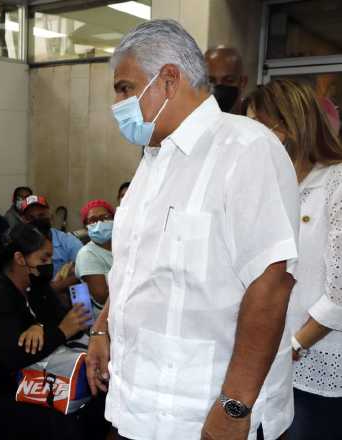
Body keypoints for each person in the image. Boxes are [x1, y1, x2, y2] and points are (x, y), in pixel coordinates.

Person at [86, 20, 299, 440]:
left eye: (125, 88)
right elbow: (133, 267)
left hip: (203, 415)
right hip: (138, 406)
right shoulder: (152, 161)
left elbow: (271, 285)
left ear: (168, 80)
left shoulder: (246, 151)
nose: (118, 103)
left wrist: (234, 406)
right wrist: (102, 327)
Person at [244, 79, 342, 440]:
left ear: (284, 129)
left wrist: (295, 345)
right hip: (267, 364)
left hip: (315, 368)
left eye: (256, 125)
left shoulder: (336, 182)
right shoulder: (270, 187)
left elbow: (339, 295)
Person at [0, 224, 100, 439]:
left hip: (19, 378)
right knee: (61, 425)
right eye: (44, 259)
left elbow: (64, 324)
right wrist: (61, 331)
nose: (48, 266)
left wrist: (42, 326)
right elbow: (13, 355)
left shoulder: (34, 286)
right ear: (20, 259)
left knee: (94, 402)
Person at [21, 195, 82, 298]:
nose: (36, 220)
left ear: (50, 216)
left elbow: (83, 271)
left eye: (41, 215)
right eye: (30, 218)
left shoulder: (68, 241)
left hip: (65, 298)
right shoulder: (18, 244)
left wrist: (56, 287)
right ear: (23, 220)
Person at [75, 200, 115, 322]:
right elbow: (102, 298)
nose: (99, 223)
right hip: (106, 319)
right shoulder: (87, 254)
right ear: (86, 227)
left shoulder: (123, 245)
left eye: (105, 218)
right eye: (93, 220)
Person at [205, 46, 248, 114]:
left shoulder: (254, 122)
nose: (219, 89)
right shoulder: (194, 121)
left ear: (243, 82)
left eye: (228, 81)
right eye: (211, 81)